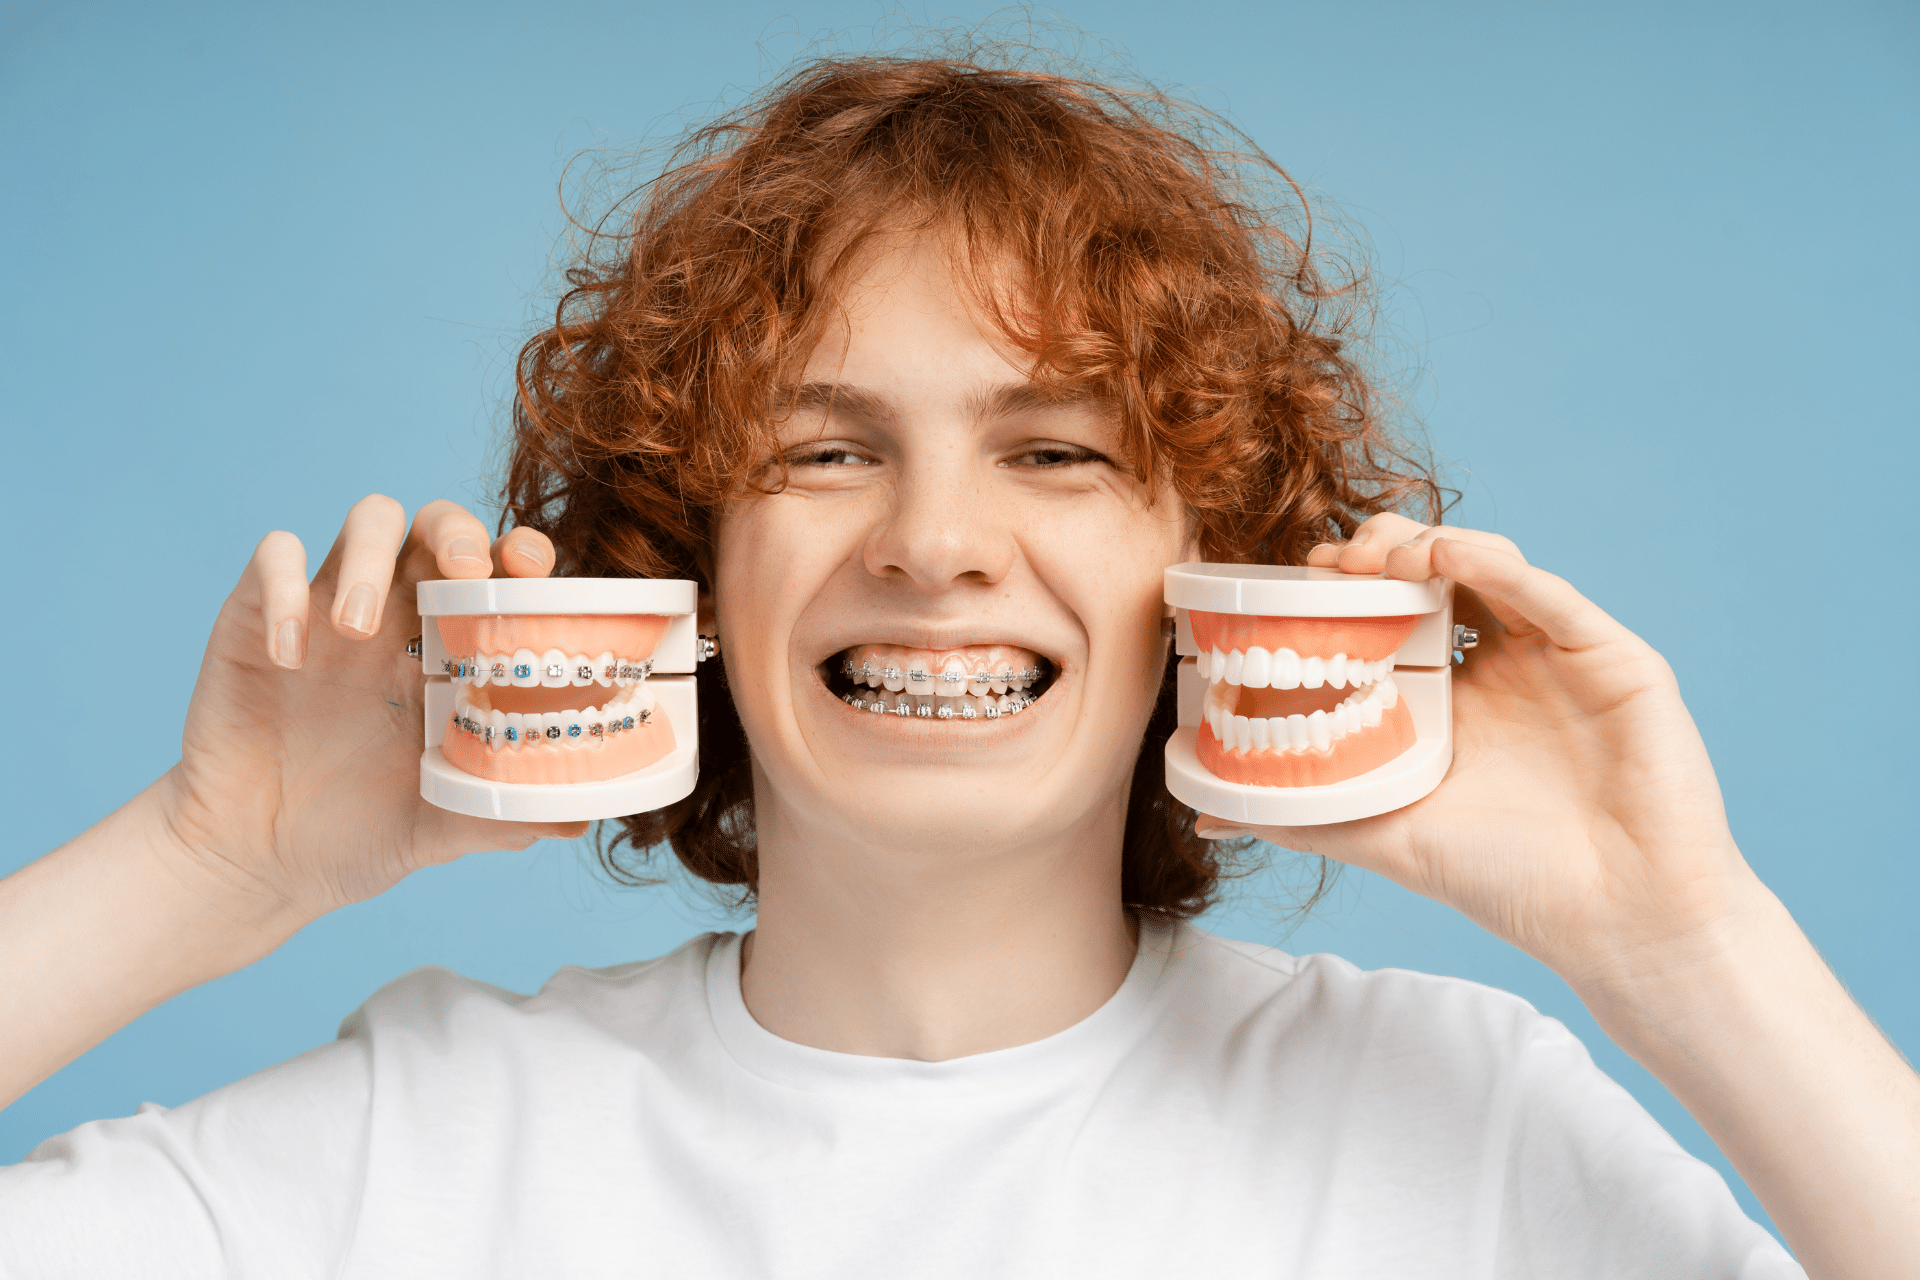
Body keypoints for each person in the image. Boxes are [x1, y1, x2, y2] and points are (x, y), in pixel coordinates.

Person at [1, 54, 1914, 1279]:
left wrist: (1684, 944)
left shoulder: (1457, 1116)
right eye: (824, 450)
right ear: (681, 571)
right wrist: (209, 863)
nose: (931, 543)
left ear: (1217, 576)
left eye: (1057, 451)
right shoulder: (412, 1143)